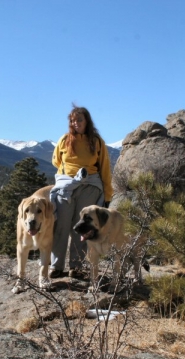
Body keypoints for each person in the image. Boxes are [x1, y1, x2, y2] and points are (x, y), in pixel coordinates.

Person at [49, 105, 113, 279]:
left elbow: (105, 168)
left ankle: (76, 267)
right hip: (67, 187)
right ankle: (57, 266)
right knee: (61, 225)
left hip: (89, 187)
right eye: (72, 120)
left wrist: (107, 195)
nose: (75, 123)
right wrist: (71, 175)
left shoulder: (97, 141)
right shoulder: (64, 140)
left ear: (87, 121)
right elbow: (56, 161)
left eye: (79, 120)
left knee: (82, 227)